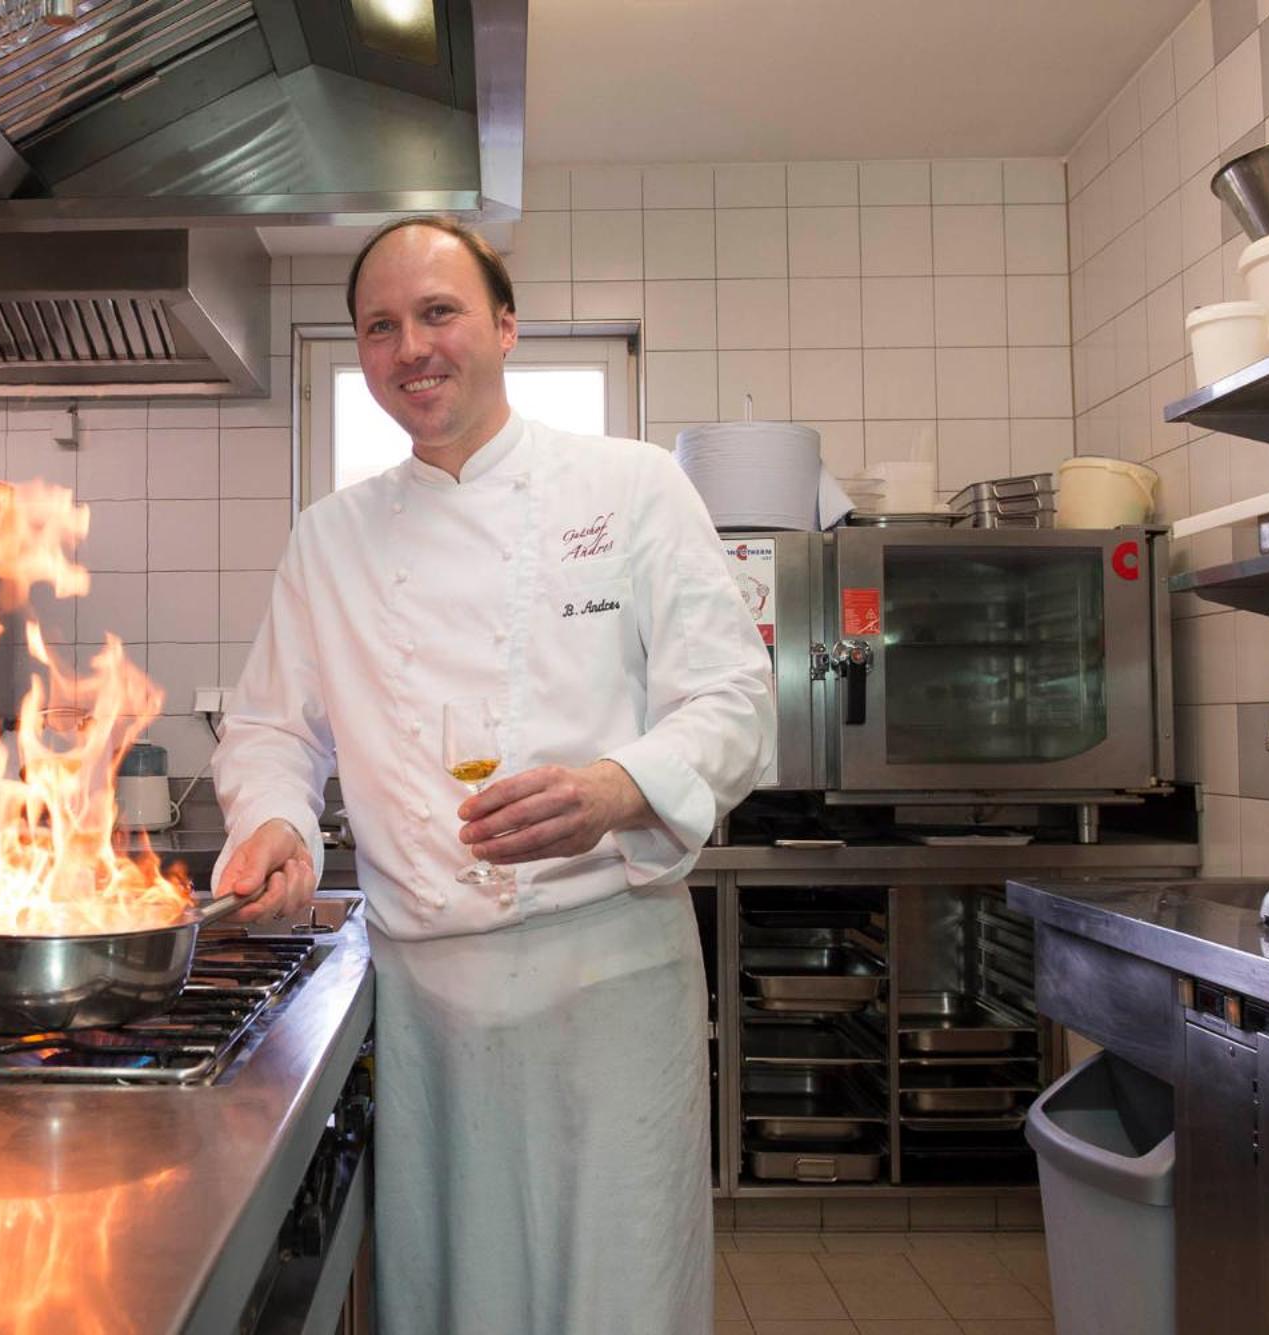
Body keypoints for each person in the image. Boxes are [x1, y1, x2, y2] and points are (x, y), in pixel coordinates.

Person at [210, 215, 774, 1335]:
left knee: (615, 1291)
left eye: (439, 313)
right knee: (452, 1293)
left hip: (608, 980)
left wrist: (618, 786)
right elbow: (273, 728)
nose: (410, 347)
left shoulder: (632, 487)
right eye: (380, 326)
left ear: (505, 326)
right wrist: (276, 821)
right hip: (429, 1000)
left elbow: (733, 701)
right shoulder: (328, 538)